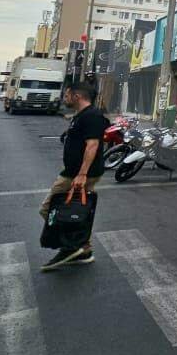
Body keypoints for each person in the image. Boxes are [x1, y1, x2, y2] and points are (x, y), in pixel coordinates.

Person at [40, 81, 108, 271]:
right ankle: (81, 248)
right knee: (74, 211)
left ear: (77, 96)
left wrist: (82, 174)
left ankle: (73, 247)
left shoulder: (92, 116)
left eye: (67, 95)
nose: (65, 98)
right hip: (73, 172)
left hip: (78, 175)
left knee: (49, 208)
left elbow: (92, 145)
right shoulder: (82, 115)